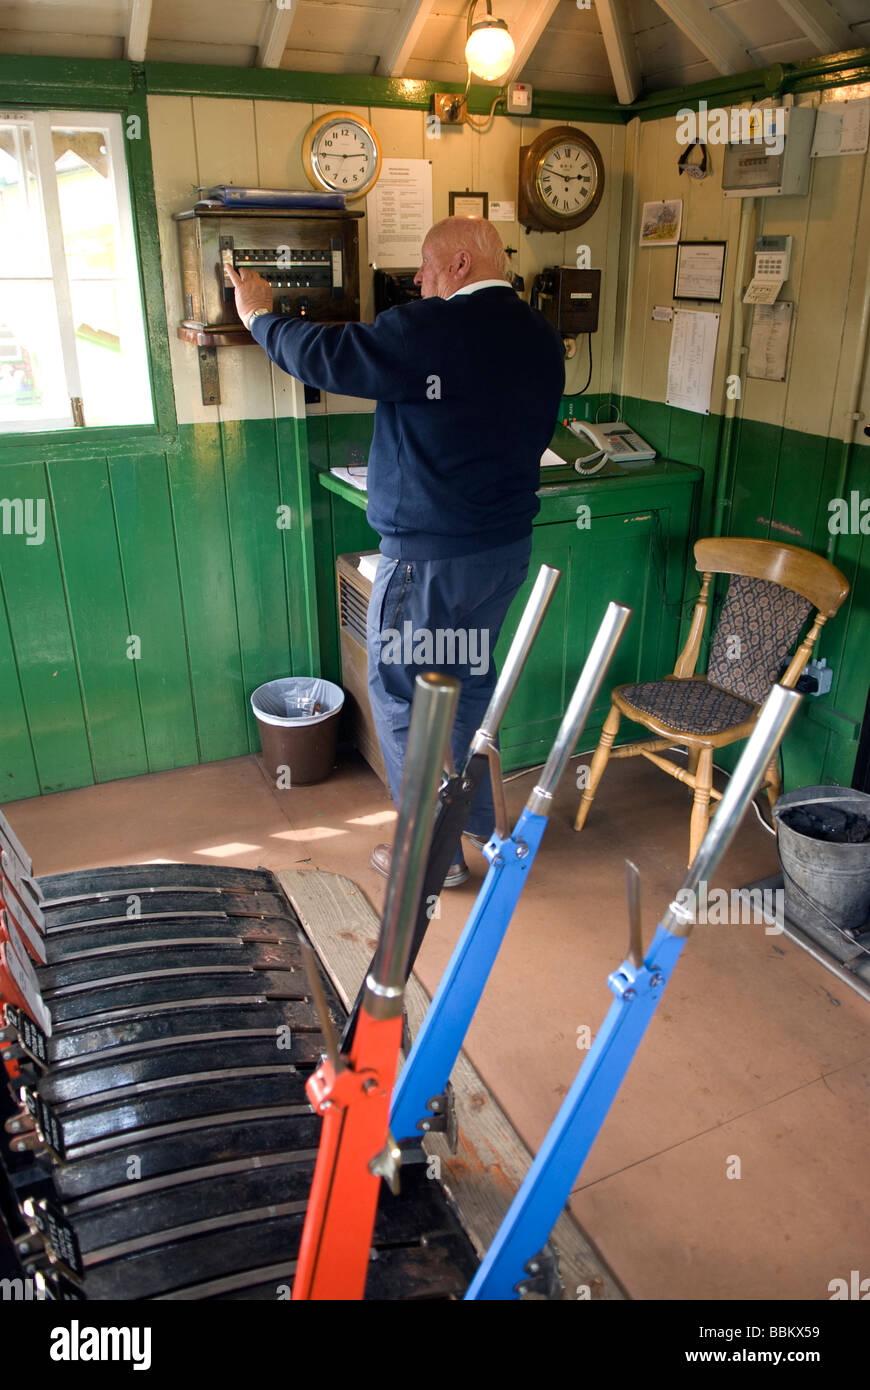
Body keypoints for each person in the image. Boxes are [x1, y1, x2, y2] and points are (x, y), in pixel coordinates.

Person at [228, 216, 564, 884]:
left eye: (425, 265)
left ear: (461, 263)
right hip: (501, 556)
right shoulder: (540, 335)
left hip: (429, 561)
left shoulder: (430, 328)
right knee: (465, 687)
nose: (416, 279)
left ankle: (429, 857)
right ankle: (472, 825)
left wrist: (260, 316)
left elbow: (326, 355)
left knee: (403, 694)